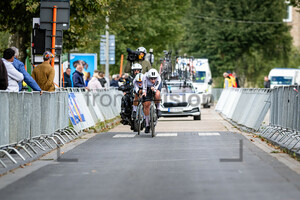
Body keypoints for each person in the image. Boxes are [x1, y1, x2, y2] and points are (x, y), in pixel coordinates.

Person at [142, 69, 162, 133]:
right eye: (151, 79)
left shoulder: (158, 78)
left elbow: (156, 88)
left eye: (154, 78)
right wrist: (144, 93)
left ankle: (158, 108)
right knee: (146, 105)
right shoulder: (145, 77)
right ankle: (147, 125)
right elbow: (144, 88)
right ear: (148, 77)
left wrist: (155, 89)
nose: (153, 80)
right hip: (147, 87)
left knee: (157, 94)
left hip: (156, 87)